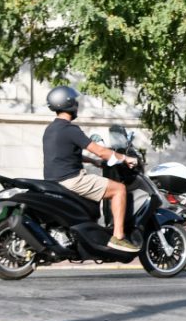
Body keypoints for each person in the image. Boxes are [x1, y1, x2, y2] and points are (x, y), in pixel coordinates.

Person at [42, 86, 140, 253]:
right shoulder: (70, 129)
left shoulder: (50, 129)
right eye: (76, 102)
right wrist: (125, 158)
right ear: (69, 103)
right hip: (72, 180)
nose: (78, 106)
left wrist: (92, 161)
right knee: (119, 189)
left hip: (54, 181)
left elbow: (65, 155)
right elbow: (101, 151)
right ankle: (118, 237)